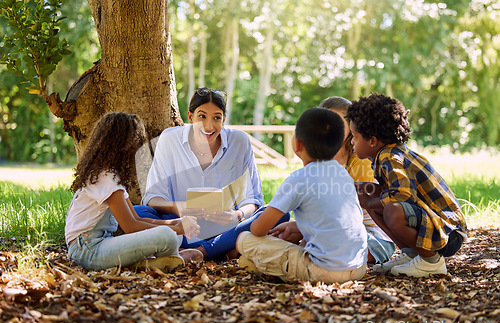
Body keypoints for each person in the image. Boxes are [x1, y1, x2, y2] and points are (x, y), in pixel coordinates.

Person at [135, 88, 289, 260]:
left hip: (225, 226)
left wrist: (236, 216)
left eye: (216, 117)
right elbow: (153, 197)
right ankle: (226, 248)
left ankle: (200, 251)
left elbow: (253, 199)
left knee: (279, 213)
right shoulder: (170, 139)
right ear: (190, 116)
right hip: (181, 225)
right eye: (202, 116)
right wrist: (180, 207)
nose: (209, 126)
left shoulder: (240, 141)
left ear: (223, 120)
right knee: (138, 212)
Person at [236, 107, 368, 284]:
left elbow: (258, 230)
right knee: (255, 257)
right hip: (359, 267)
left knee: (245, 240)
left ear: (297, 144)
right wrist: (296, 226)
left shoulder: (299, 179)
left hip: (323, 271)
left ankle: (265, 265)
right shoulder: (343, 174)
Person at [346, 93, 467, 277]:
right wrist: (365, 188)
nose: (352, 142)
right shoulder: (386, 154)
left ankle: (431, 262)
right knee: (378, 202)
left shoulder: (391, 157)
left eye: (354, 136)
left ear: (372, 140)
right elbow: (394, 190)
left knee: (390, 210)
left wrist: (370, 203)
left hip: (447, 233)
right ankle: (412, 254)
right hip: (436, 227)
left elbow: (402, 196)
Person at [65, 112, 202, 272]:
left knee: (173, 235)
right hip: (88, 250)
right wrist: (176, 229)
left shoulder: (111, 176)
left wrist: (175, 224)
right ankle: (155, 261)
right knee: (168, 236)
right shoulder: (105, 178)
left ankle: (149, 262)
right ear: (126, 146)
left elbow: (136, 218)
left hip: (98, 244)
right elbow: (131, 226)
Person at [319, 96, 396, 264]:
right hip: (334, 230)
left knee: (325, 243)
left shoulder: (360, 161)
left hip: (372, 236)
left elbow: (352, 210)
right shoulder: (318, 160)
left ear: (351, 127)